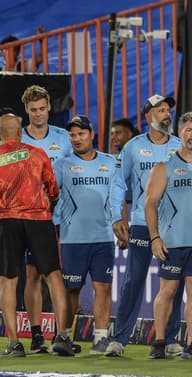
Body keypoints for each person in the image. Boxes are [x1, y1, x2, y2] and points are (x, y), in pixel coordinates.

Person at [0, 114, 74, 356]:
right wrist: (48, 206)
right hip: (39, 219)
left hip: (6, 220)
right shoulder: (37, 154)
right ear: (20, 132)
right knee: (53, 276)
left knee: (8, 281)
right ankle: (62, 336)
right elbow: (53, 188)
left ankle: (14, 343)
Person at [107, 94, 185, 357]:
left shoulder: (180, 146)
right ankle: (119, 340)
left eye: (168, 110)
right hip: (142, 222)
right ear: (148, 116)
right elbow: (118, 183)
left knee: (173, 283)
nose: (166, 114)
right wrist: (117, 217)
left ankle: (170, 339)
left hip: (173, 225)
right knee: (133, 281)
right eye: (161, 110)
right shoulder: (133, 147)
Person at [145, 111, 192, 359]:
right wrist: (155, 237)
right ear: (179, 133)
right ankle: (160, 341)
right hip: (172, 241)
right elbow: (150, 204)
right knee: (168, 290)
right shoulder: (164, 167)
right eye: (188, 130)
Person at [53, 115, 118, 354]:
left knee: (103, 287)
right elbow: (50, 195)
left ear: (91, 134)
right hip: (72, 238)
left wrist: (120, 223)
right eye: (72, 135)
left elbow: (117, 195)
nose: (76, 138)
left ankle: (100, 339)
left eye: (81, 133)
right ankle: (63, 336)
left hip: (103, 237)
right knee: (71, 289)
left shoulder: (110, 162)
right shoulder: (62, 164)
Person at [20, 85, 72, 353]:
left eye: (42, 108)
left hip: (61, 217)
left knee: (57, 274)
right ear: (26, 110)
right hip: (29, 217)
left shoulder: (64, 138)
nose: (38, 114)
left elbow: (75, 172)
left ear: (50, 107)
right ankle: (36, 335)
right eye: (33, 110)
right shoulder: (18, 139)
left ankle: (62, 335)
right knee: (32, 274)